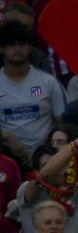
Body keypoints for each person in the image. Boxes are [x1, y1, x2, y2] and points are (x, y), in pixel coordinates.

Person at [0, 22, 66, 158]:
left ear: (30, 48)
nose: (18, 49)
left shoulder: (48, 82)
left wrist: (48, 154)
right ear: (2, 49)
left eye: (23, 44)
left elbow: (63, 124)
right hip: (5, 157)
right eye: (12, 45)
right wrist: (6, 137)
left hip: (46, 158)